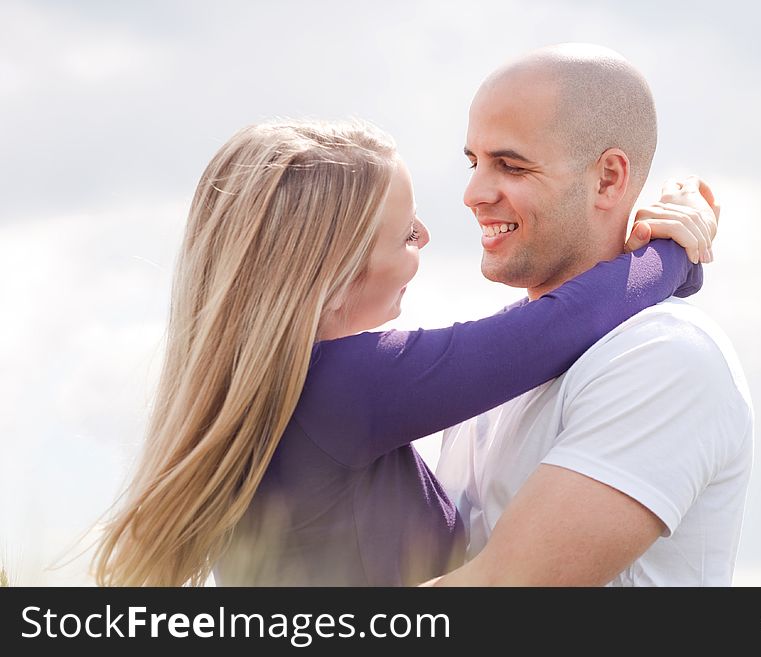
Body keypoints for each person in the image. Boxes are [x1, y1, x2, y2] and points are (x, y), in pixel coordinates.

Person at [92, 117, 713, 587]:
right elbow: (552, 330)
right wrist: (675, 252)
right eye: (406, 233)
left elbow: (528, 329)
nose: (428, 237)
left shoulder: (267, 397)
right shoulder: (344, 388)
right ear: (332, 268)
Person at [430, 44, 753, 587]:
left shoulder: (665, 358)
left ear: (608, 178)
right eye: (474, 162)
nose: (473, 193)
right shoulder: (498, 363)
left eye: (510, 165)